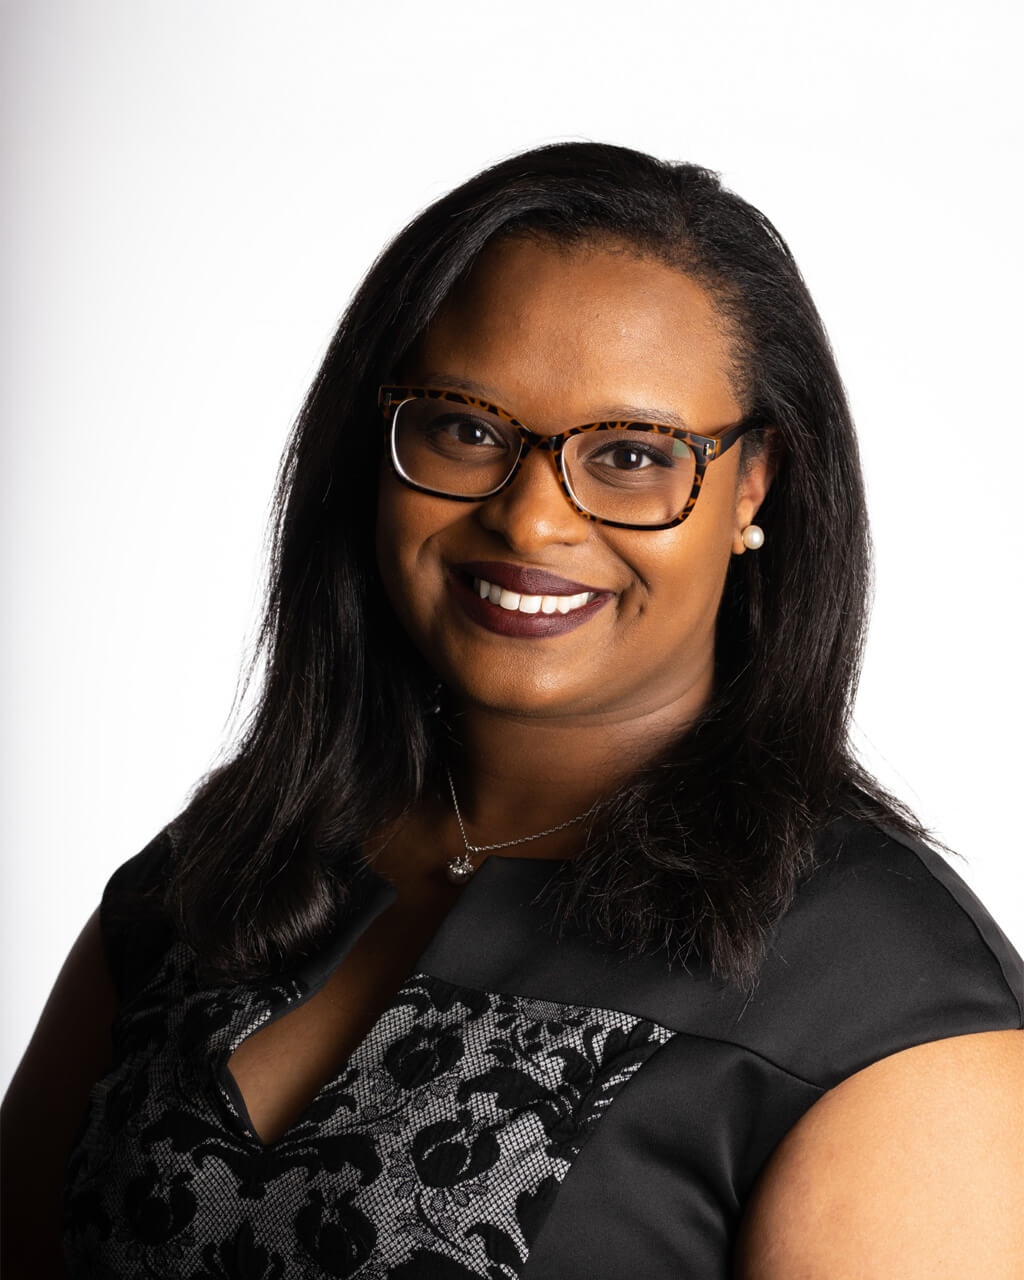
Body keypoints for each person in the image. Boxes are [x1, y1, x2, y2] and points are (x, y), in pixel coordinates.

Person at [3, 141, 1022, 1279]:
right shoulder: (213, 874)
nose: (531, 520)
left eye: (633, 453)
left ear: (750, 484)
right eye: (466, 428)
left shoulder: (881, 998)